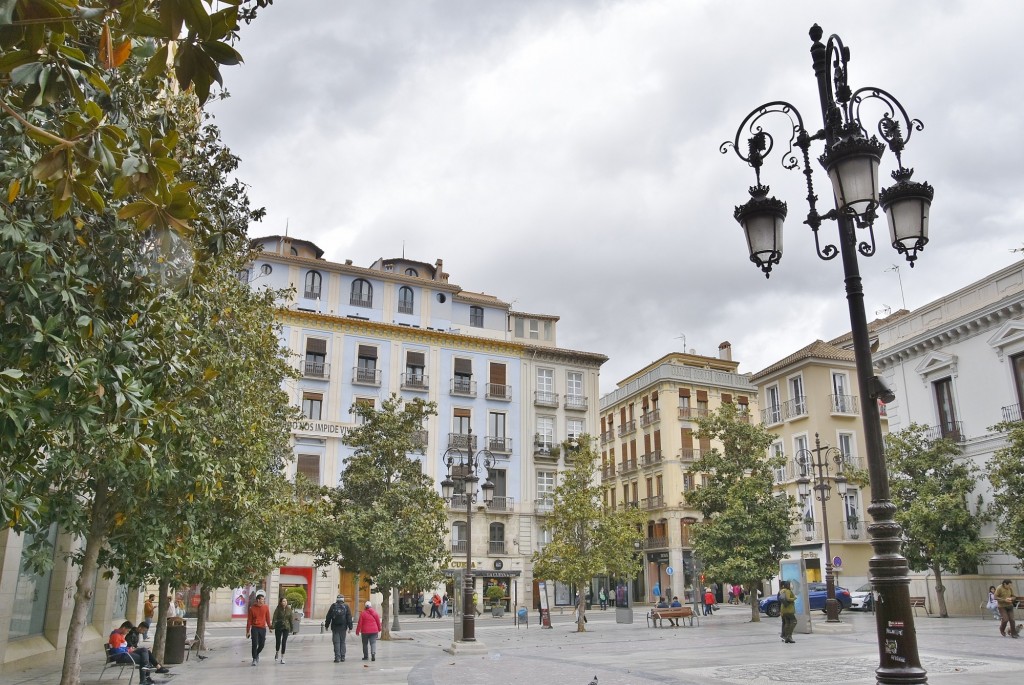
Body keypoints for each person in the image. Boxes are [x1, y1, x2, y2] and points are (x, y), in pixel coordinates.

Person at [245, 590, 272, 666]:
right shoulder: (252, 608)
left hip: (262, 628)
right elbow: (249, 620)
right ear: (258, 600)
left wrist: (270, 627)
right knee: (254, 643)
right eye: (262, 599)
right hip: (255, 628)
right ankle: (254, 659)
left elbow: (268, 618)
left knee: (262, 644)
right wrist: (248, 631)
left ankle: (256, 653)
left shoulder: (266, 607)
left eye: (264, 599)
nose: (263, 601)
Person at [324, 594, 353, 662]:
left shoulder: (333, 606)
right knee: (342, 642)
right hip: (343, 627)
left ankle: (337, 658)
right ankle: (343, 657)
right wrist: (350, 627)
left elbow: (328, 617)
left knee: (336, 642)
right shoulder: (346, 606)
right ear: (343, 600)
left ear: (336, 599)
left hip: (335, 627)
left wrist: (326, 625)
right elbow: (349, 617)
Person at [272, 596, 293, 664]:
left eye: (286, 601)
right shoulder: (278, 609)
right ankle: (277, 652)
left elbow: (291, 619)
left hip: (286, 627)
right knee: (278, 641)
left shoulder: (289, 609)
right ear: (281, 602)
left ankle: (282, 657)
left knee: (284, 642)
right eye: (283, 601)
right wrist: (273, 626)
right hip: (279, 626)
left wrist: (291, 628)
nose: (285, 602)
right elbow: (274, 618)